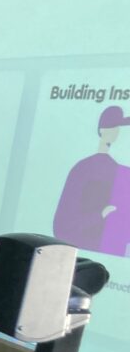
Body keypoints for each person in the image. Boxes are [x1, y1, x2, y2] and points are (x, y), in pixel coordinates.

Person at [54, 105, 130, 255]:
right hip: (82, 258)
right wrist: (100, 215)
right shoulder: (84, 169)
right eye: (117, 128)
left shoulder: (125, 172)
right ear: (103, 132)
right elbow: (61, 227)